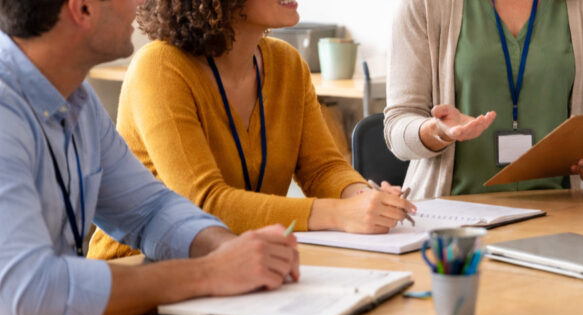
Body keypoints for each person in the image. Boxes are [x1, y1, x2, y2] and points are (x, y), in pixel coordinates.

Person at [0, 0, 300, 315]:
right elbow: (30, 292)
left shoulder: (75, 99)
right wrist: (208, 273)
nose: (140, 4)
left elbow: (151, 209)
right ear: (82, 9)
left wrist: (230, 250)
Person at [87, 0, 416, 260]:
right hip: (141, 269)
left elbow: (323, 168)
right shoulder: (160, 66)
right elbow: (203, 204)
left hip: (242, 265)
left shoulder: (287, 63)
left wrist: (362, 197)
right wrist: (340, 214)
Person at [386, 0, 583, 199]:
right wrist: (438, 131)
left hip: (560, 212)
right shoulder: (424, 4)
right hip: (455, 215)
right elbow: (397, 128)